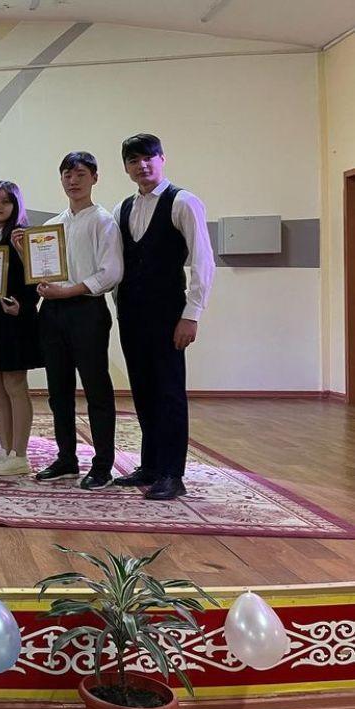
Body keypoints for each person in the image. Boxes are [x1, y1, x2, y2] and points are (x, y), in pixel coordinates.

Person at [111, 133, 216, 500]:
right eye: (133, 160)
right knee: (142, 389)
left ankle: (173, 473)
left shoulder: (183, 202)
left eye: (148, 158)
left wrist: (192, 314)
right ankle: (151, 465)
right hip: (131, 313)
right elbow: (119, 263)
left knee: (169, 391)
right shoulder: (122, 208)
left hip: (168, 313)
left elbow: (203, 261)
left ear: (162, 159)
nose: (142, 165)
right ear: (126, 168)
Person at [13, 151, 122, 490]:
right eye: (67, 175)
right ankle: (66, 459)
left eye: (80, 174)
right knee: (58, 391)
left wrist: (70, 290)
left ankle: (102, 466)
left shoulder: (103, 220)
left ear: (94, 178)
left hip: (87, 310)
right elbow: (41, 275)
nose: (73, 181)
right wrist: (23, 252)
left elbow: (111, 272)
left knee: (96, 389)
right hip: (53, 313)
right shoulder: (51, 226)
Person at [0, 181, 43, 476]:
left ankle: (20, 454)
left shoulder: (22, 235)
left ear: (16, 205)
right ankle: (5, 450)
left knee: (15, 385)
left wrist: (23, 306)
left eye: (5, 201)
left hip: (15, 317)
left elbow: (39, 276)